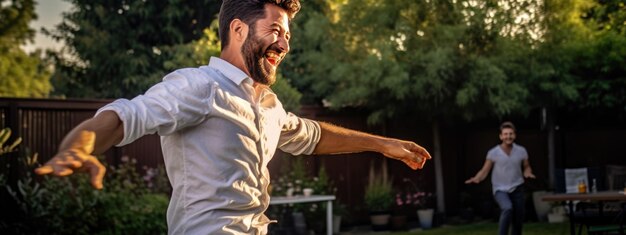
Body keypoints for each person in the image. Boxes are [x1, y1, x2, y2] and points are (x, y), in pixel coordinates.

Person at [34, 0, 432, 234]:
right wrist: (80, 144)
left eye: (288, 35)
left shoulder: (269, 105)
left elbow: (312, 135)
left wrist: (382, 144)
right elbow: (125, 116)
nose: (284, 43)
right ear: (238, 29)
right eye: (276, 30)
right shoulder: (197, 86)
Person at [465, 121, 535, 235]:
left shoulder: (521, 151)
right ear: (501, 136)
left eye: (511, 134)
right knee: (507, 208)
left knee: (518, 219)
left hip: (517, 188)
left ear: (515, 135)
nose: (508, 136)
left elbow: (527, 166)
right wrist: (477, 178)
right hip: (500, 189)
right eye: (506, 134)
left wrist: (528, 173)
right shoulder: (493, 153)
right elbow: (484, 170)